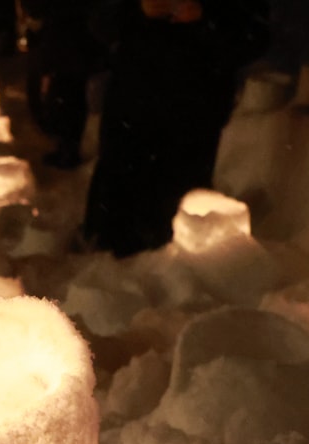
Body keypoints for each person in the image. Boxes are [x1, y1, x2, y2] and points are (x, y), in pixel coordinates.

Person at [79, 0, 270, 257]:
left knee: (172, 229)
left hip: (194, 111)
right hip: (132, 103)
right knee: (115, 221)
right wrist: (136, 10)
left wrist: (205, 17)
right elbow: (99, 22)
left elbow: (254, 36)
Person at [22, 0, 111, 169]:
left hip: (69, 42)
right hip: (77, 42)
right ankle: (67, 147)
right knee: (70, 95)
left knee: (66, 97)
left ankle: (68, 151)